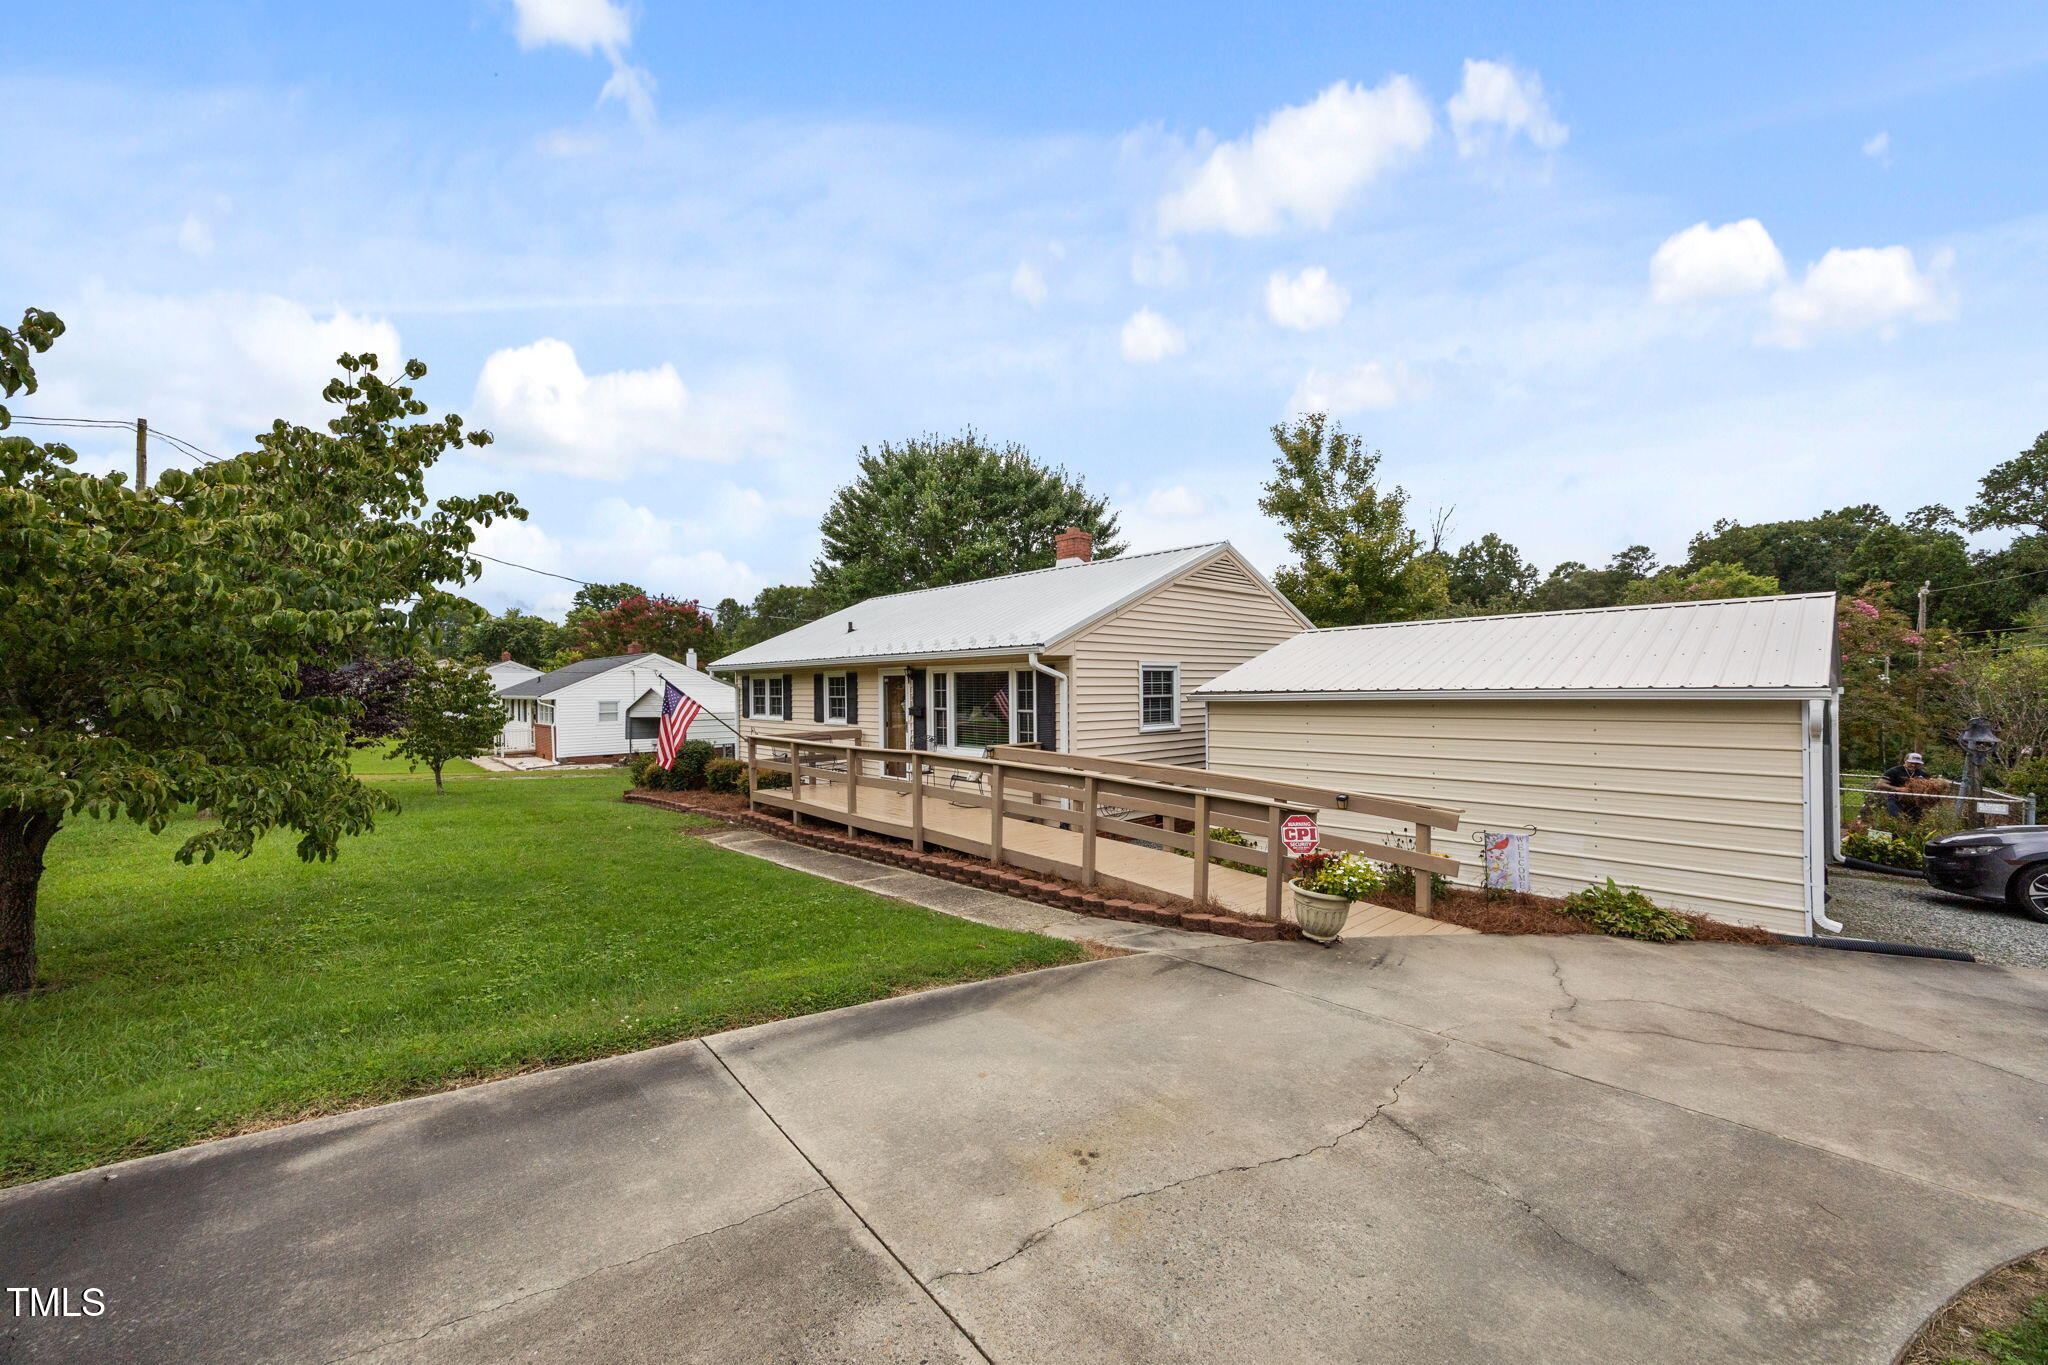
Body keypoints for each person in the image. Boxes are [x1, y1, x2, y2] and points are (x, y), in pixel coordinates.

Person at [1881, 752, 1927, 818]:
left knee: (1915, 821)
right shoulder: (1894, 771)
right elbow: (1881, 784)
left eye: (1917, 764)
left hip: (1915, 801)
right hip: (1895, 799)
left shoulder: (1923, 774)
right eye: (1911, 763)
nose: (1913, 765)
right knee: (1897, 818)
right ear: (1905, 760)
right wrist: (1898, 789)